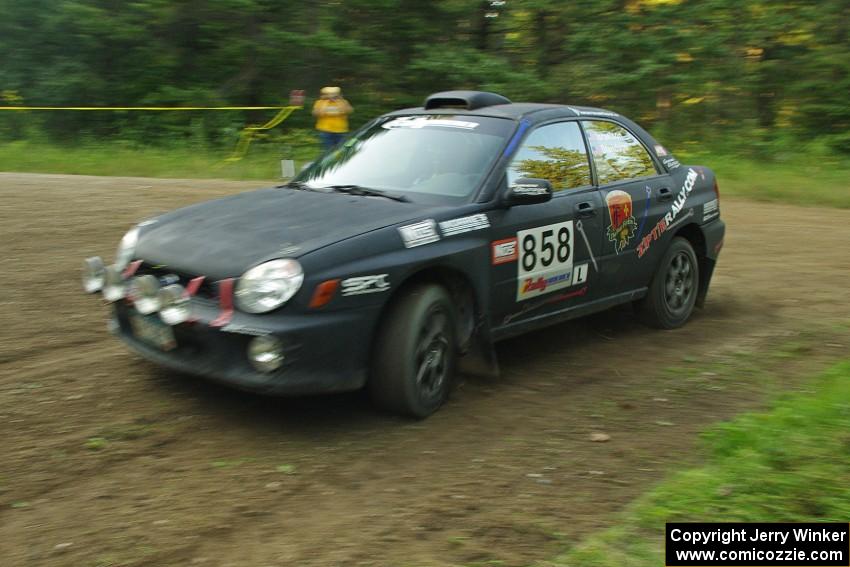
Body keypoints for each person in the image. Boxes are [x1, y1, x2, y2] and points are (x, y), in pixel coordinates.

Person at [312, 86, 353, 151]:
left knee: (342, 150)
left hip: (341, 130)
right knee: (328, 151)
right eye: (329, 94)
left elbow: (348, 111)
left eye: (334, 94)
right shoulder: (319, 102)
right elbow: (317, 114)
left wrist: (338, 101)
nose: (331, 96)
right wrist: (326, 102)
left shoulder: (343, 102)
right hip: (325, 130)